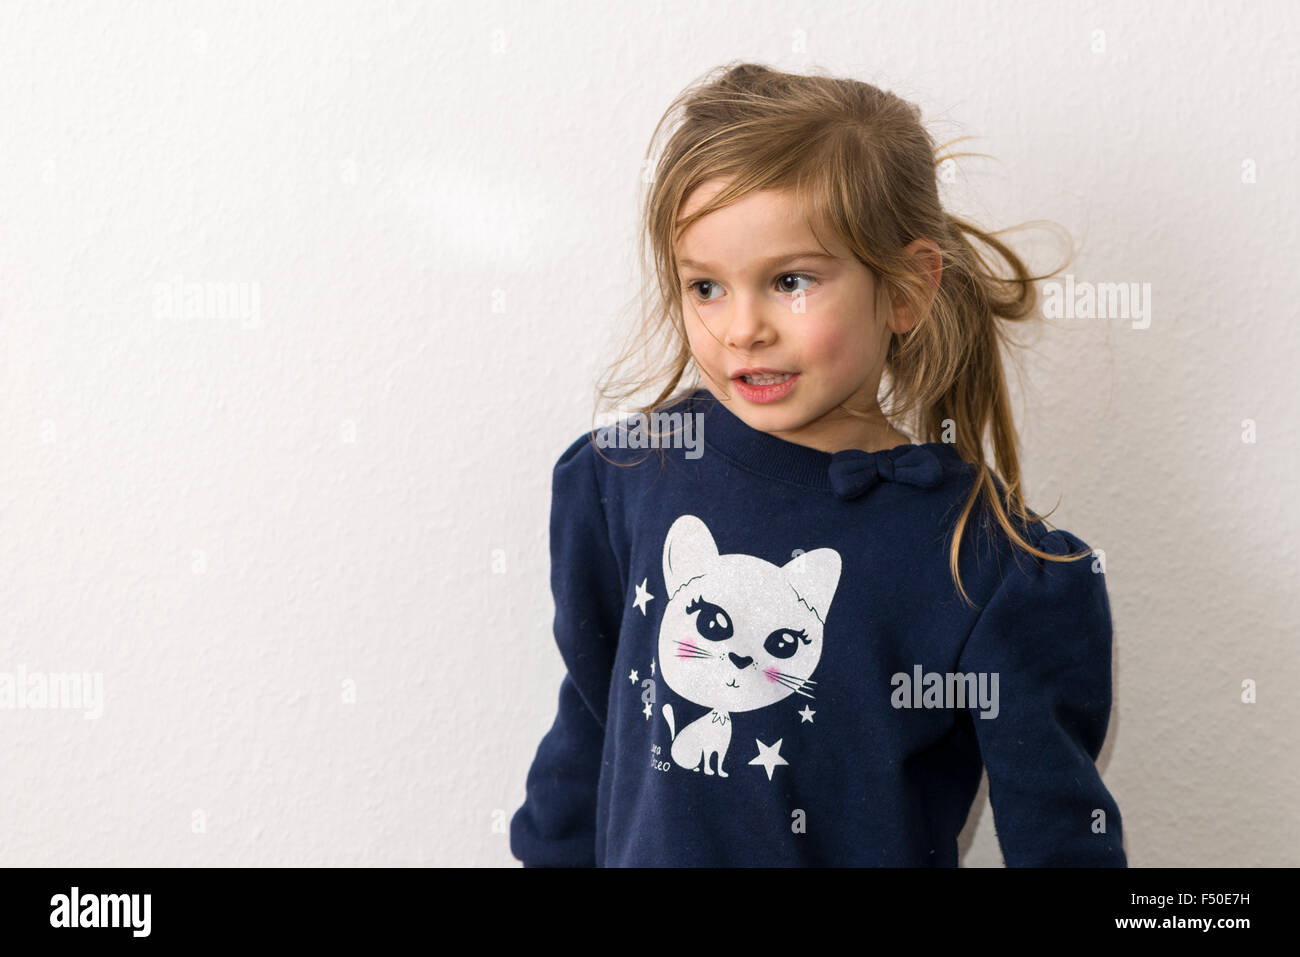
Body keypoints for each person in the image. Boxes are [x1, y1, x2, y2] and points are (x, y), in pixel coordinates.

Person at [509, 61, 1125, 867]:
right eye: (705, 286)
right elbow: (594, 720)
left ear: (906, 289)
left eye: (790, 281)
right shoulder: (630, 477)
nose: (742, 328)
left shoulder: (985, 562)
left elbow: (1061, 839)